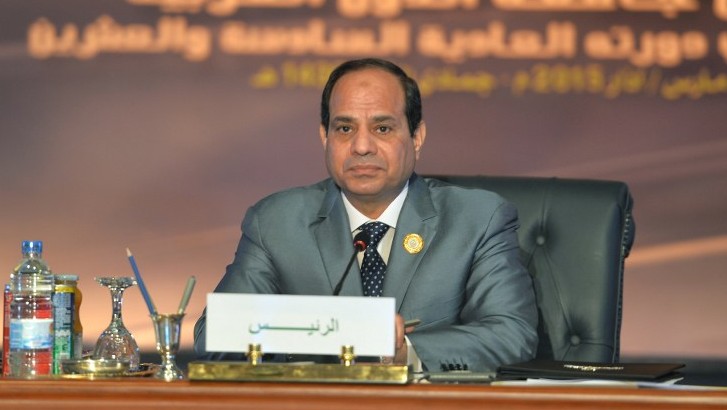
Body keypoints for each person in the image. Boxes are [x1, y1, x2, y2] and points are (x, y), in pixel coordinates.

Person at [194, 58, 538, 372]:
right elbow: (214, 335)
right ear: (324, 137)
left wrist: (405, 352)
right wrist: (333, 336)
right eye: (344, 128)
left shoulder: (477, 218)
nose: (361, 146)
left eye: (382, 128)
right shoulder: (275, 221)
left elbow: (512, 335)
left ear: (417, 137)